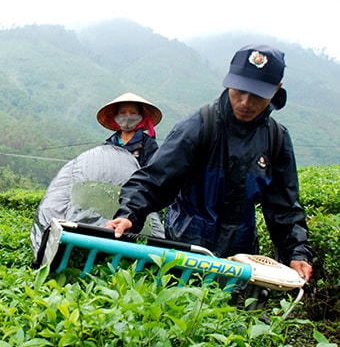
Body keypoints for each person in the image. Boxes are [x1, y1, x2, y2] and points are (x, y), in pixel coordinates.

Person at [105, 44, 313, 283]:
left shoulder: (275, 139)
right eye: (240, 90)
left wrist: (296, 252)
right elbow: (155, 179)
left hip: (240, 260)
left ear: (276, 90)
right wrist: (129, 214)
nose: (245, 102)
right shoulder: (199, 127)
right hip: (185, 253)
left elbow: (284, 207)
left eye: (257, 95)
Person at [97, 92, 162, 166]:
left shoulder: (148, 144)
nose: (127, 116)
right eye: (122, 112)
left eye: (133, 113)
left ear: (140, 116)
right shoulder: (108, 144)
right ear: (116, 116)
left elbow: (152, 169)